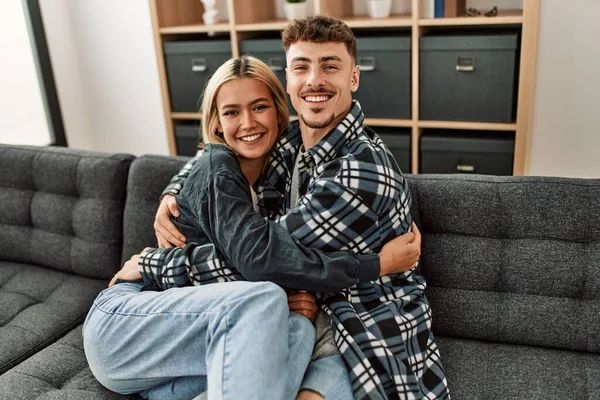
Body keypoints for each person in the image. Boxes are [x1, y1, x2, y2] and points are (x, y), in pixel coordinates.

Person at [84, 55, 420, 400]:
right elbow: (260, 260)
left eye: (259, 107)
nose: (248, 123)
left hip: (183, 356)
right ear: (216, 123)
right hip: (129, 324)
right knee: (271, 300)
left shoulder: (288, 155)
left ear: (278, 110)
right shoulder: (218, 170)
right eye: (231, 112)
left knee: (309, 330)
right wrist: (375, 265)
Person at [152, 16, 449, 400]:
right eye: (302, 67)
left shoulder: (360, 172)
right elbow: (219, 152)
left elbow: (260, 256)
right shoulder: (291, 142)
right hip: (297, 311)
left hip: (362, 326)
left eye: (330, 66)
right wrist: (173, 192)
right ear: (289, 81)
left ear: (353, 78)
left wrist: (154, 265)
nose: (314, 81)